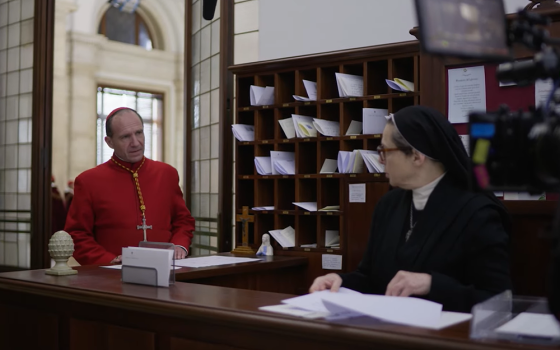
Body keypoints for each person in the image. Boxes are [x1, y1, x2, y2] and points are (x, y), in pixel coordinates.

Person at [309, 106, 511, 312]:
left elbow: (498, 299)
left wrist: (431, 284)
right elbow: (371, 279)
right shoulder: (388, 205)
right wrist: (339, 282)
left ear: (416, 156)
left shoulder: (477, 212)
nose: (380, 160)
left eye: (385, 151)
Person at [65, 107, 195, 265]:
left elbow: (183, 220)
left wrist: (179, 245)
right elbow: (76, 234)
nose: (135, 143)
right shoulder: (88, 181)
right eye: (125, 137)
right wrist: (109, 260)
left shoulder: (167, 174)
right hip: (111, 278)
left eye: (139, 133)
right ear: (109, 142)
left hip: (167, 270)